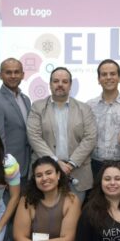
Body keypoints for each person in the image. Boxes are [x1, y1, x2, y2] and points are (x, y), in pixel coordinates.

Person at [26, 67, 98, 199]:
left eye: (64, 81)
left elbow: (90, 138)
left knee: (73, 215)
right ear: (50, 84)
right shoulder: (37, 107)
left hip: (77, 172)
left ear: (70, 85)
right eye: (56, 81)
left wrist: (71, 164)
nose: (60, 84)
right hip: (45, 172)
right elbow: (34, 137)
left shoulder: (84, 109)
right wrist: (55, 162)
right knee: (44, 215)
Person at [87, 59, 120, 175]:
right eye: (104, 74)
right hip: (94, 165)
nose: (108, 77)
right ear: (98, 79)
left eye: (113, 74)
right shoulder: (89, 106)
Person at [0, 57, 32, 176]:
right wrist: (3, 169)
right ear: (0, 75)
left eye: (16, 72)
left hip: (26, 166)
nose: (13, 76)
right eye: (8, 72)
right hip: (8, 169)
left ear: (22, 75)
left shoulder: (26, 99)